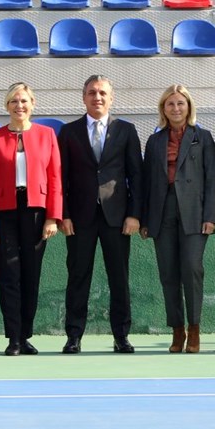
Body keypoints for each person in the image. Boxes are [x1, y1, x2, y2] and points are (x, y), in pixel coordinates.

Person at [58, 75, 143, 354]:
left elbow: (136, 176)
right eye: (92, 93)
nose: (97, 97)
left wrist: (134, 214)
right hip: (79, 218)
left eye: (103, 93)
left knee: (119, 277)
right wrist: (64, 215)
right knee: (78, 276)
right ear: (83, 97)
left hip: (117, 217)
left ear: (111, 97)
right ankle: (73, 336)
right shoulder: (68, 132)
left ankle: (121, 336)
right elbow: (62, 178)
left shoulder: (126, 130)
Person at [0, 82, 62, 356]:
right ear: (7, 106)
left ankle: (25, 335)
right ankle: (13, 338)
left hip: (36, 212)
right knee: (8, 275)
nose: (19, 106)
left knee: (30, 275)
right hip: (4, 212)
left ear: (33, 104)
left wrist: (53, 217)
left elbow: (55, 178)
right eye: (14, 101)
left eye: (24, 101)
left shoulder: (47, 134)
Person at [140, 85, 215, 353]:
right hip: (162, 213)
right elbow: (146, 183)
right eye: (170, 104)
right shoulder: (154, 141)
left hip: (195, 214)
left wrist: (211, 216)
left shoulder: (204, 137)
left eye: (180, 104)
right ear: (163, 108)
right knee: (168, 273)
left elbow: (212, 179)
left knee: (192, 269)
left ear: (188, 107)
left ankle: (194, 329)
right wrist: (145, 220)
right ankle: (177, 330)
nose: (175, 108)